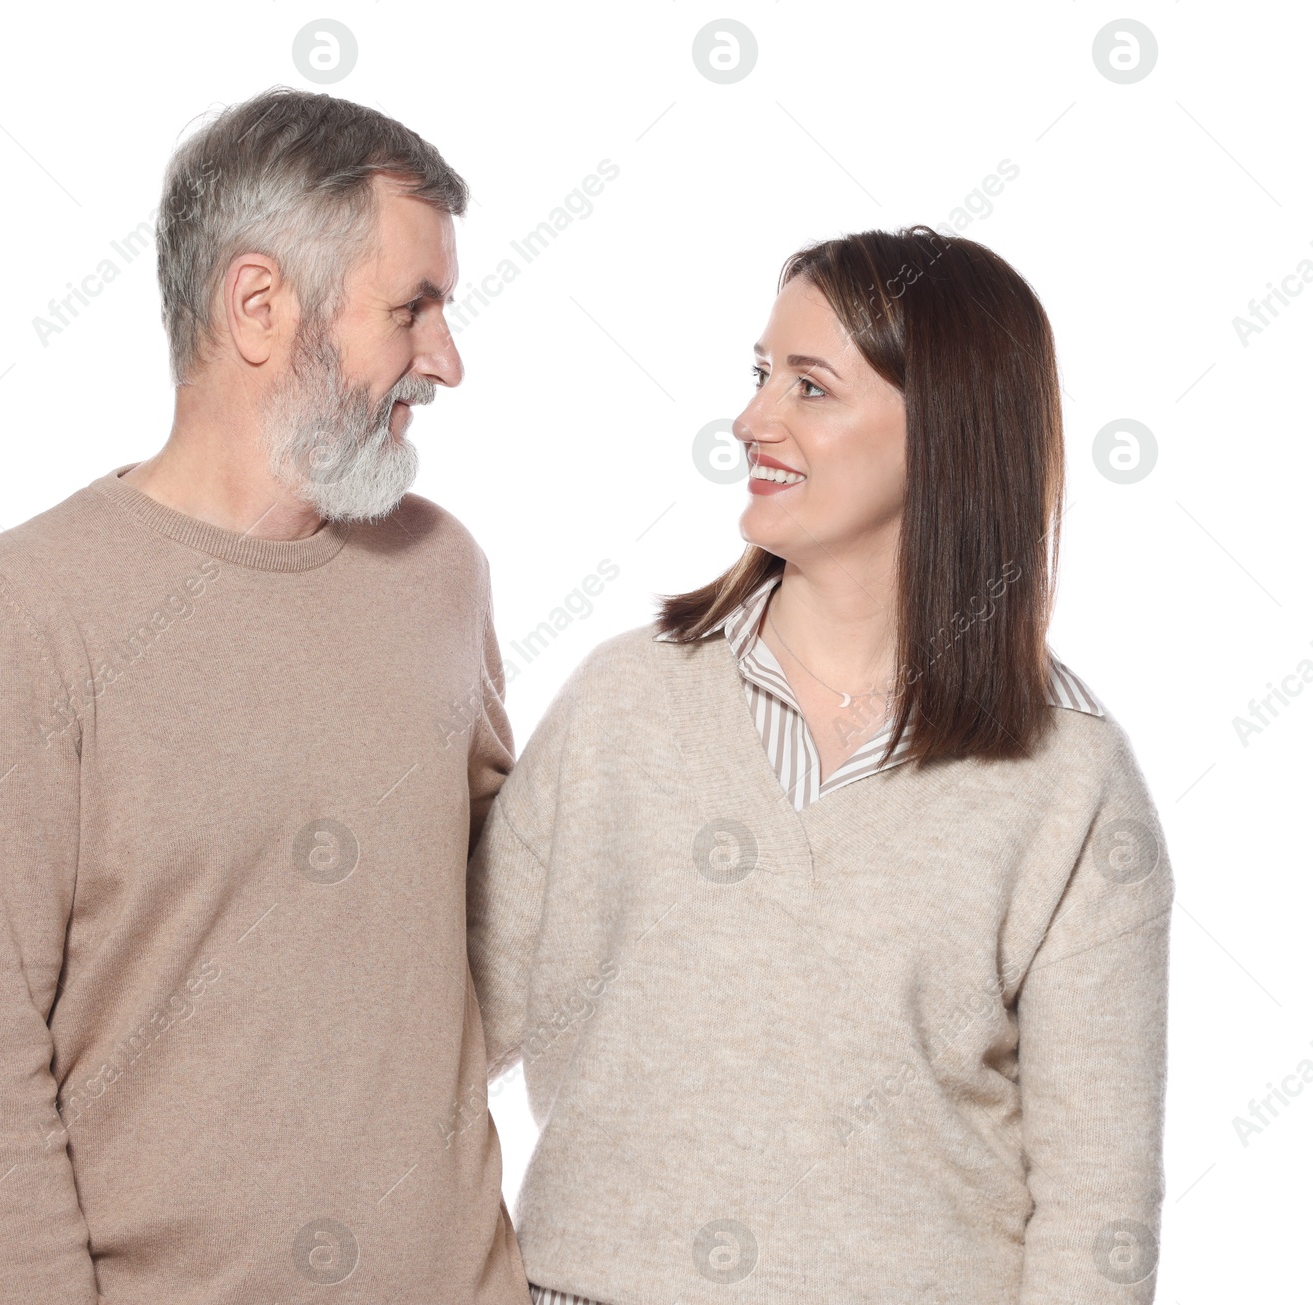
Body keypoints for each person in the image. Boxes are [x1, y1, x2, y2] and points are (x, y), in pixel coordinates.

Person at [0, 87, 530, 1303]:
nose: (446, 358)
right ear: (257, 305)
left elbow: (503, 935)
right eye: (413, 308)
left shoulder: (441, 572)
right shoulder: (23, 616)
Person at [468, 227, 1173, 1304]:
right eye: (759, 376)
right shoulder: (625, 702)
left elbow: (1095, 1208)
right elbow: (437, 1042)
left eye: (809, 386)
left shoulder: (1069, 778)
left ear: (942, 428)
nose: (753, 420)